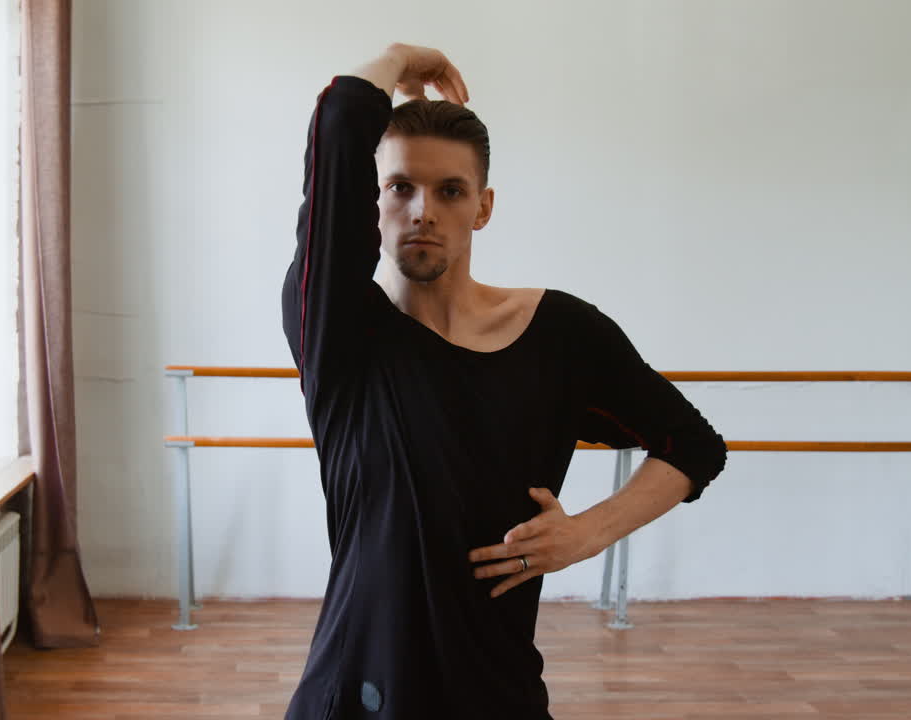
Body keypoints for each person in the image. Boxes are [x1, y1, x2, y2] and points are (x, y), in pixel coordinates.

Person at [279, 42, 727, 719]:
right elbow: (341, 121)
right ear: (376, 203)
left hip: (494, 691)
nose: (423, 211)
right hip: (354, 693)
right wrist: (398, 58)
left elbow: (694, 445)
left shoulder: (562, 335)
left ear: (482, 207)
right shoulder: (340, 333)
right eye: (401, 187)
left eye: (449, 191)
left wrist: (588, 534)